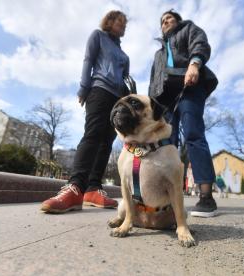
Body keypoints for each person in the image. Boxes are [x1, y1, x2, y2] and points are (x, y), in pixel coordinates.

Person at [41, 10, 130, 213]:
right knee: (93, 135)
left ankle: (93, 189)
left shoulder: (125, 56)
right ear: (109, 21)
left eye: (125, 24)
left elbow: (126, 79)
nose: (123, 26)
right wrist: (83, 88)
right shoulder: (98, 36)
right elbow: (88, 60)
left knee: (107, 142)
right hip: (99, 90)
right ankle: (75, 187)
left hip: (117, 100)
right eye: (120, 22)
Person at [149, 10, 219, 218]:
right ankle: (168, 197)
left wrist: (194, 64)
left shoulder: (188, 29)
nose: (165, 22)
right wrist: (151, 108)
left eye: (169, 18)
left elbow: (200, 44)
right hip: (165, 100)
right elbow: (154, 80)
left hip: (190, 87)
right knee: (166, 146)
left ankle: (206, 196)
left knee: (193, 135)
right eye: (162, 21)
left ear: (177, 21)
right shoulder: (158, 53)